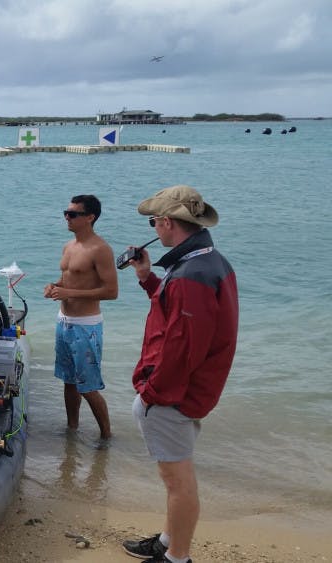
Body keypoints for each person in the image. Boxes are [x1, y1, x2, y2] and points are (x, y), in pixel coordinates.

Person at [119, 185, 238, 563]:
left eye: (153, 221)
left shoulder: (191, 275)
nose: (152, 226)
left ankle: (177, 557)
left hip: (175, 395)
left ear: (167, 222)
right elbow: (179, 316)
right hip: (188, 390)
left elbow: (184, 349)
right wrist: (147, 277)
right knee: (176, 477)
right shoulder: (206, 261)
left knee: (178, 482)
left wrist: (152, 394)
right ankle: (171, 541)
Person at [43, 195, 118, 440]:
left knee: (88, 386)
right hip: (64, 321)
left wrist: (69, 292)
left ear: (90, 218)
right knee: (68, 381)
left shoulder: (101, 249)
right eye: (66, 212)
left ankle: (106, 436)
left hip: (86, 326)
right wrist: (54, 287)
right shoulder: (68, 246)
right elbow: (67, 280)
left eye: (73, 214)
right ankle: (72, 429)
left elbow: (111, 291)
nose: (67, 217)